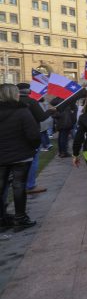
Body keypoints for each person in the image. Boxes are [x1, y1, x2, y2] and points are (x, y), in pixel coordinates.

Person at [0, 84, 41, 232]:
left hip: (5, 156)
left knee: (2, 185)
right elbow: (33, 134)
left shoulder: (22, 110)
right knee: (19, 186)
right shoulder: (22, 111)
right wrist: (33, 147)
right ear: (14, 95)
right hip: (21, 155)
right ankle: (20, 217)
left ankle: (2, 219)